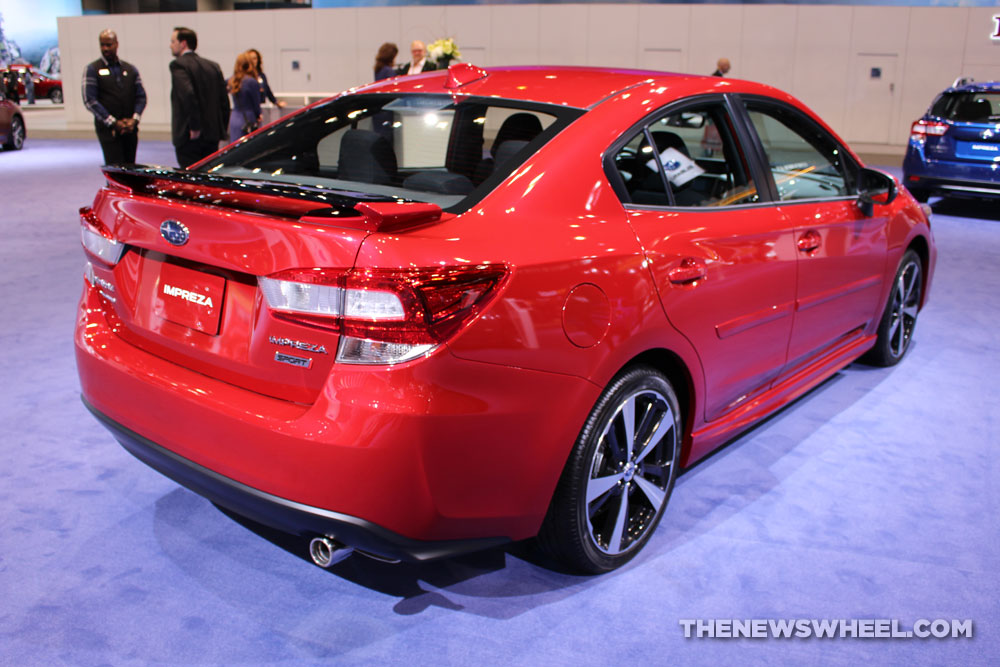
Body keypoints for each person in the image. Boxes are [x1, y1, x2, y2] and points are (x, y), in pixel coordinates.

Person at [82, 30, 147, 165]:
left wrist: (134, 119)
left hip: (130, 129)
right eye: (102, 45)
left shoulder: (130, 69)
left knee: (131, 169)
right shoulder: (92, 69)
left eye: (109, 45)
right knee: (115, 168)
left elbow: (141, 97)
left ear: (116, 44)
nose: (105, 48)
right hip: (108, 131)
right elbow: (90, 100)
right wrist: (113, 122)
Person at [168, 26, 230, 169]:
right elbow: (224, 102)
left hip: (190, 136)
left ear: (183, 43)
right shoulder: (213, 66)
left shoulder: (178, 65)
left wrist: (195, 127)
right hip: (212, 135)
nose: (170, 45)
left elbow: (187, 96)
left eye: (173, 41)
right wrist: (221, 129)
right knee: (208, 175)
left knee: (190, 178)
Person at [228, 51, 262, 144]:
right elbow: (256, 103)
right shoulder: (251, 82)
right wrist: (259, 115)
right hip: (248, 117)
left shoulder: (232, 80)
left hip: (234, 118)